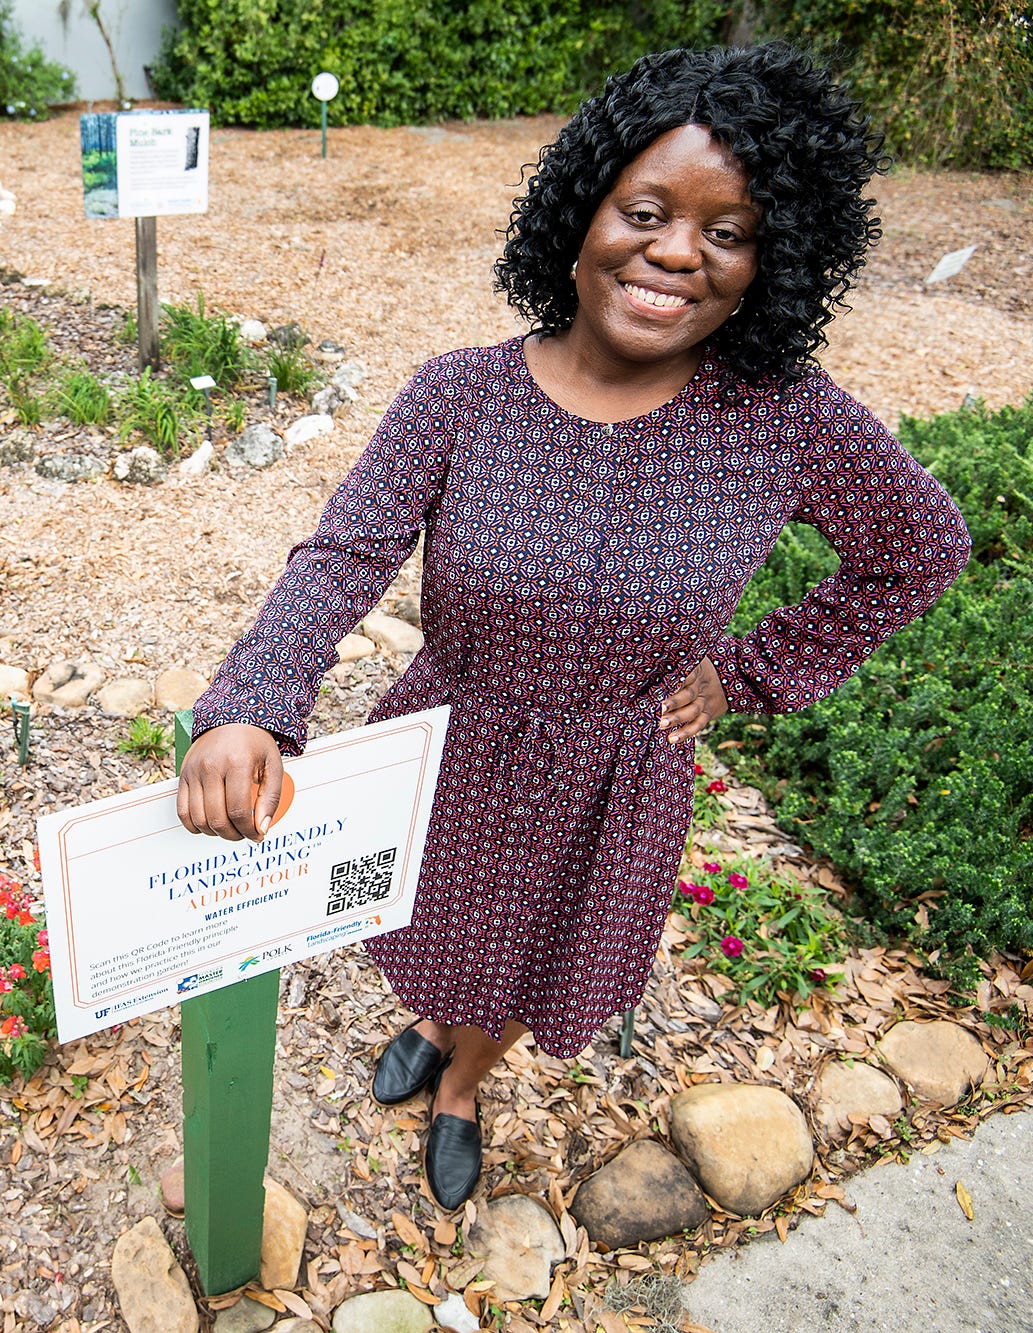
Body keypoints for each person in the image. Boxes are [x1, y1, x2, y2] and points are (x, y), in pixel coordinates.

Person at [177, 41, 971, 1212]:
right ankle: (436, 1033)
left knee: (536, 954)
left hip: (614, 773)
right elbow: (344, 553)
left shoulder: (785, 422)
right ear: (582, 212)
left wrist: (749, 672)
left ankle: (463, 1085)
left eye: (728, 231)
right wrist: (253, 699)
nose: (674, 252)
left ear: (772, 262)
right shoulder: (459, 394)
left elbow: (921, 549)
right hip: (444, 744)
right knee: (436, 935)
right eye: (645, 210)